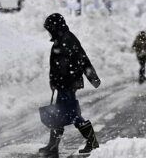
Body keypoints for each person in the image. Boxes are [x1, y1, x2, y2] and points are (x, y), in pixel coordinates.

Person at [39, 13, 101, 155]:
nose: (49, 31)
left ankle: (91, 141)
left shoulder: (68, 39)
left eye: (50, 28)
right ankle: (53, 145)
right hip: (63, 84)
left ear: (55, 27)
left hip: (68, 84)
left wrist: (93, 77)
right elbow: (56, 66)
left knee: (72, 114)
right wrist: (53, 81)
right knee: (59, 113)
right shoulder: (61, 39)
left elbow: (82, 59)